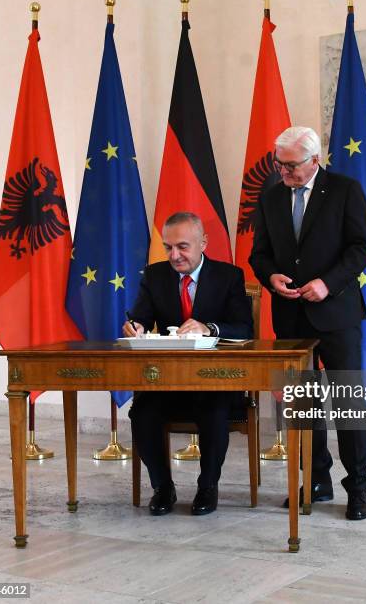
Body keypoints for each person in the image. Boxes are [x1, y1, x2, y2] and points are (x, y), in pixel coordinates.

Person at [249, 126, 366, 520]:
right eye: (280, 165)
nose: (284, 173)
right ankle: (315, 479)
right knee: (303, 405)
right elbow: (260, 253)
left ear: (314, 160)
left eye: (291, 166)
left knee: (348, 404)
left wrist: (328, 283)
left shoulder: (344, 190)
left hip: (336, 313)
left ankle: (357, 488)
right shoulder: (270, 197)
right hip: (290, 316)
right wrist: (271, 277)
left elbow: (362, 247)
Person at [124, 212, 253, 516]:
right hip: (168, 381)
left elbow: (244, 328)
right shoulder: (154, 276)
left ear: (203, 243)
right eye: (168, 247)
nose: (174, 255)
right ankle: (162, 487)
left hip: (214, 381)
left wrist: (209, 328)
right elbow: (139, 317)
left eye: (182, 247)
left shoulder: (228, 276)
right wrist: (135, 327)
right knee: (141, 412)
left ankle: (207, 487)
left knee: (214, 411)